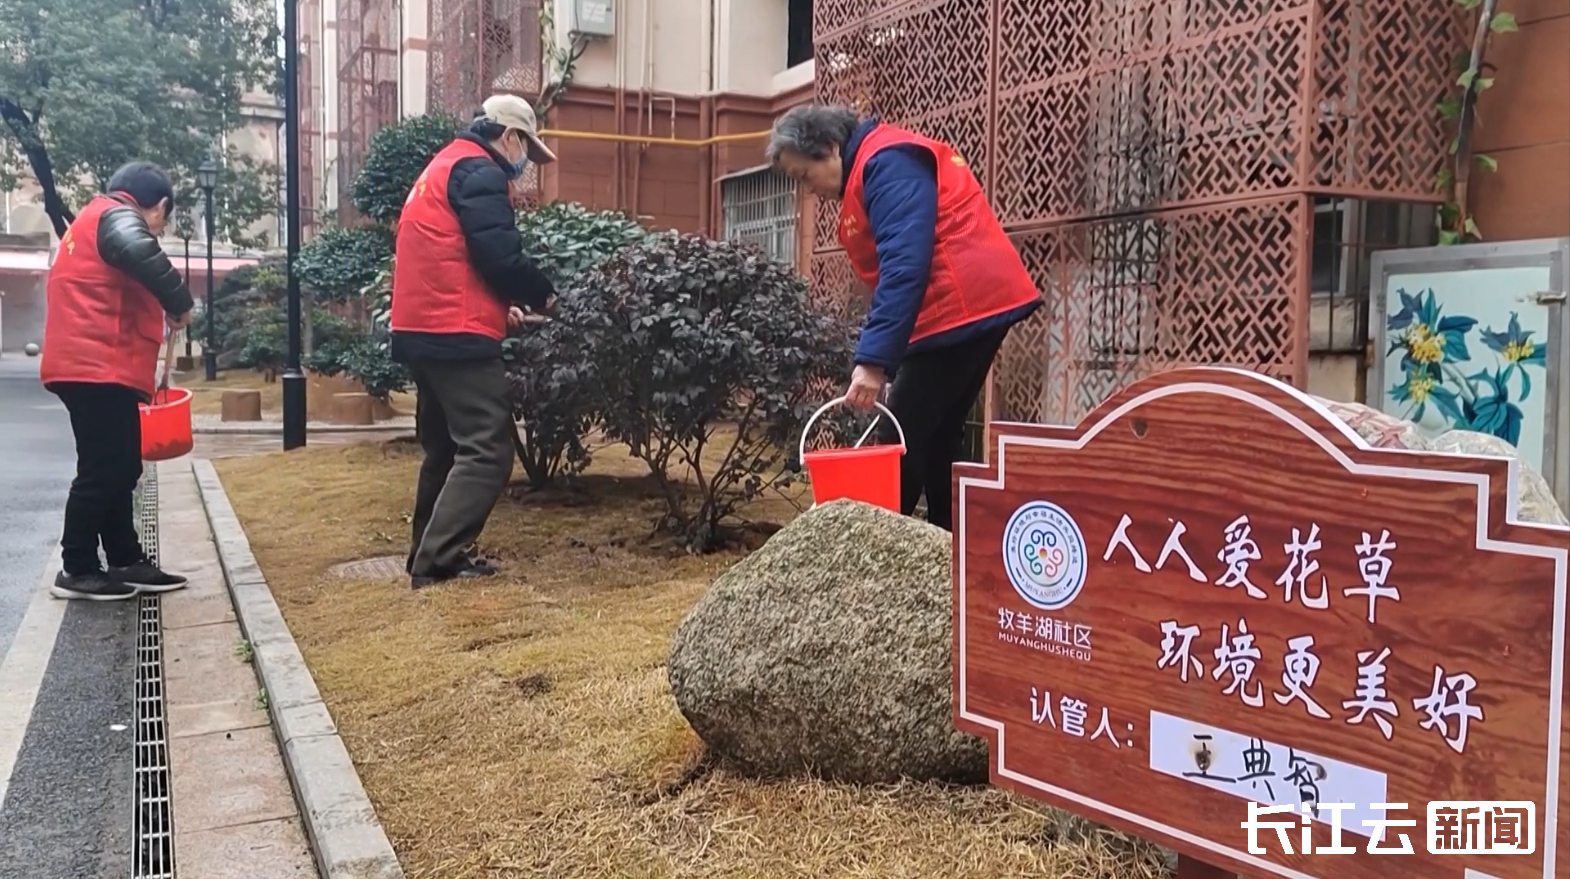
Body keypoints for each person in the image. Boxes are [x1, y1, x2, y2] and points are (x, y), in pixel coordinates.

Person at [767, 104, 1041, 531]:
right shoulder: (878, 162)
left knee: (901, 437)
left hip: (958, 304)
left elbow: (904, 262)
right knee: (937, 434)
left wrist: (874, 361)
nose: (811, 190)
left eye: (805, 176)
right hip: (969, 302)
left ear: (830, 147)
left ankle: (876, 551)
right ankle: (949, 546)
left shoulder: (886, 161)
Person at [390, 93, 560, 589]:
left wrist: (499, 309)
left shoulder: (444, 166)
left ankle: (428, 548)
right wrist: (542, 295)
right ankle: (438, 560)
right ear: (509, 136)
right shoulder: (481, 171)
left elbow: (453, 257)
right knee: (488, 447)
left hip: (420, 328)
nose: (525, 162)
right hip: (453, 333)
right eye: (526, 147)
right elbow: (500, 257)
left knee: (445, 448)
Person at [40, 162, 195, 600]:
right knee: (101, 469)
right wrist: (179, 303)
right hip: (94, 367)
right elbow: (138, 249)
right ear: (159, 206)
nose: (160, 232)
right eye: (163, 222)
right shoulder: (117, 216)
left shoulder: (91, 220)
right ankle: (78, 567)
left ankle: (125, 559)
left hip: (94, 366)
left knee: (121, 465)